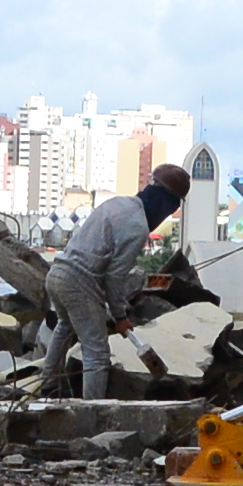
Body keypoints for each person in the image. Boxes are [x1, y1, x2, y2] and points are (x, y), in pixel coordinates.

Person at [45, 164, 190, 398]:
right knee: (97, 354)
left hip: (57, 273)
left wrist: (110, 309)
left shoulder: (117, 203)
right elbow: (115, 276)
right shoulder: (138, 227)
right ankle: (91, 412)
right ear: (164, 205)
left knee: (65, 326)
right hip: (78, 282)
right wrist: (120, 316)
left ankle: (46, 387)